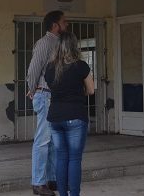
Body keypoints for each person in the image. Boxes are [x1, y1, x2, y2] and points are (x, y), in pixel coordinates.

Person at [45, 32, 95, 196]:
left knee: (61, 158)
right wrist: (79, 92)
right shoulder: (81, 66)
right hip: (75, 116)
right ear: (74, 46)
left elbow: (54, 88)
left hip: (55, 118)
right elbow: (91, 90)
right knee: (74, 159)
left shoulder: (50, 68)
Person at [27, 10, 68, 196]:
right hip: (44, 95)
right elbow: (33, 69)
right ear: (54, 25)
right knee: (43, 140)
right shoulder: (44, 43)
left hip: (54, 96)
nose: (66, 25)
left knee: (52, 141)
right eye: (63, 22)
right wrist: (32, 87)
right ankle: (38, 183)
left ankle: (51, 180)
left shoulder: (59, 44)